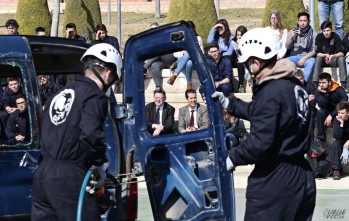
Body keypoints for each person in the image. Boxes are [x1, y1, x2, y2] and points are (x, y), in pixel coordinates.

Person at [213, 28, 315, 220]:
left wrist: (233, 157)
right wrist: (231, 103)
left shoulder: (270, 93)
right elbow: (269, 115)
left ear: (256, 61)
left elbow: (260, 142)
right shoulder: (293, 86)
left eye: (248, 63)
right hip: (302, 175)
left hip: (275, 179)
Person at [31, 43, 122, 220]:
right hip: (69, 177)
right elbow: (90, 135)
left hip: (43, 175)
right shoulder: (94, 96)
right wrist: (98, 163)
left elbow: (42, 128)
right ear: (109, 73)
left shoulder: (59, 94)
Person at [167, 21, 204, 89]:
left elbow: (202, 53)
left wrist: (193, 53)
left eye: (190, 28)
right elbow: (175, 54)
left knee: (189, 62)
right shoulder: (180, 39)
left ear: (194, 28)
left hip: (194, 62)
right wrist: (183, 53)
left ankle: (175, 75)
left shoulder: (198, 39)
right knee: (187, 55)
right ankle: (189, 83)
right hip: (181, 62)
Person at [314, 72, 348, 142]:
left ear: (329, 82)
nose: (321, 85)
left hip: (338, 111)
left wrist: (331, 115)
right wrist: (325, 93)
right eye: (320, 82)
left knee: (338, 117)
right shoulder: (318, 90)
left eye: (323, 82)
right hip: (326, 110)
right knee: (320, 112)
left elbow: (344, 104)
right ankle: (320, 139)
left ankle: (338, 140)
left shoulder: (339, 90)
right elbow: (321, 105)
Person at [313, 21, 346, 87]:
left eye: (328, 30)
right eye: (324, 31)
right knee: (318, 58)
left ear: (331, 30)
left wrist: (333, 56)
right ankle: (315, 83)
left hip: (333, 60)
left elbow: (342, 53)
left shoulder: (336, 36)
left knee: (341, 59)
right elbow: (318, 54)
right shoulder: (319, 37)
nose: (326, 33)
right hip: (322, 60)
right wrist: (325, 55)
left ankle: (343, 84)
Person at [286, 11, 316, 82]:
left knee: (312, 61)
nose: (302, 23)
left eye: (305, 21)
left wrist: (304, 58)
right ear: (298, 21)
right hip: (294, 57)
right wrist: (291, 37)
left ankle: (303, 83)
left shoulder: (314, 34)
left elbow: (315, 50)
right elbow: (287, 47)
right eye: (301, 21)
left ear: (309, 21)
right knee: (284, 62)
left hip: (307, 58)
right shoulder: (292, 32)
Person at [294, 69, 317, 139]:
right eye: (297, 79)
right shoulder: (291, 87)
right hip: (296, 111)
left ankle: (311, 141)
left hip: (309, 110)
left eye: (301, 79)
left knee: (310, 117)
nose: (300, 81)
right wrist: (306, 99)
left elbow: (313, 103)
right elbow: (291, 102)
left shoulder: (310, 86)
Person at [329, 101, 349, 180]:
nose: (340, 115)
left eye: (342, 113)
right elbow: (336, 136)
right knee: (335, 144)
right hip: (341, 142)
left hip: (348, 142)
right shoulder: (337, 120)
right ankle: (336, 170)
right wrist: (341, 124)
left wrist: (348, 143)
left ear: (348, 112)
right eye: (339, 113)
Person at [232, 25, 248, 93]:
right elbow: (239, 53)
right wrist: (239, 45)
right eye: (237, 34)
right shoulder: (234, 41)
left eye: (241, 35)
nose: (239, 36)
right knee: (240, 64)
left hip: (247, 58)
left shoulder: (248, 41)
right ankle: (241, 85)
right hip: (238, 59)